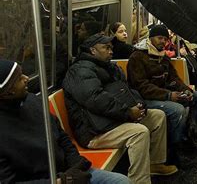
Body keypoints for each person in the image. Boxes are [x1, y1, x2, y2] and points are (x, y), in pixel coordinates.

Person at [62, 34, 177, 183]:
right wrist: (128, 112)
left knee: (157, 116)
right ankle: (139, 181)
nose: (111, 51)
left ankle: (154, 164)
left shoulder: (109, 67)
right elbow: (95, 99)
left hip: (111, 120)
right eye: (106, 47)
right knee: (139, 133)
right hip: (93, 131)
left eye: (111, 48)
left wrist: (139, 105)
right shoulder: (79, 71)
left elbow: (126, 90)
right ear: (92, 50)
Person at [0, 59, 130, 183]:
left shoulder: (33, 101)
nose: (26, 78)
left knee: (121, 181)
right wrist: (61, 182)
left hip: (67, 171)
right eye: (19, 79)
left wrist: (76, 164)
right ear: (7, 92)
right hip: (47, 180)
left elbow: (61, 136)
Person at [127, 25, 197, 166]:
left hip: (163, 94)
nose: (163, 42)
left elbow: (173, 78)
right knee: (177, 110)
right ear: (151, 38)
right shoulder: (137, 57)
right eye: (159, 38)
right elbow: (141, 87)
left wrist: (186, 90)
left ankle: (188, 139)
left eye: (165, 39)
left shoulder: (162, 56)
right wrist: (168, 96)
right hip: (144, 99)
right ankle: (174, 152)